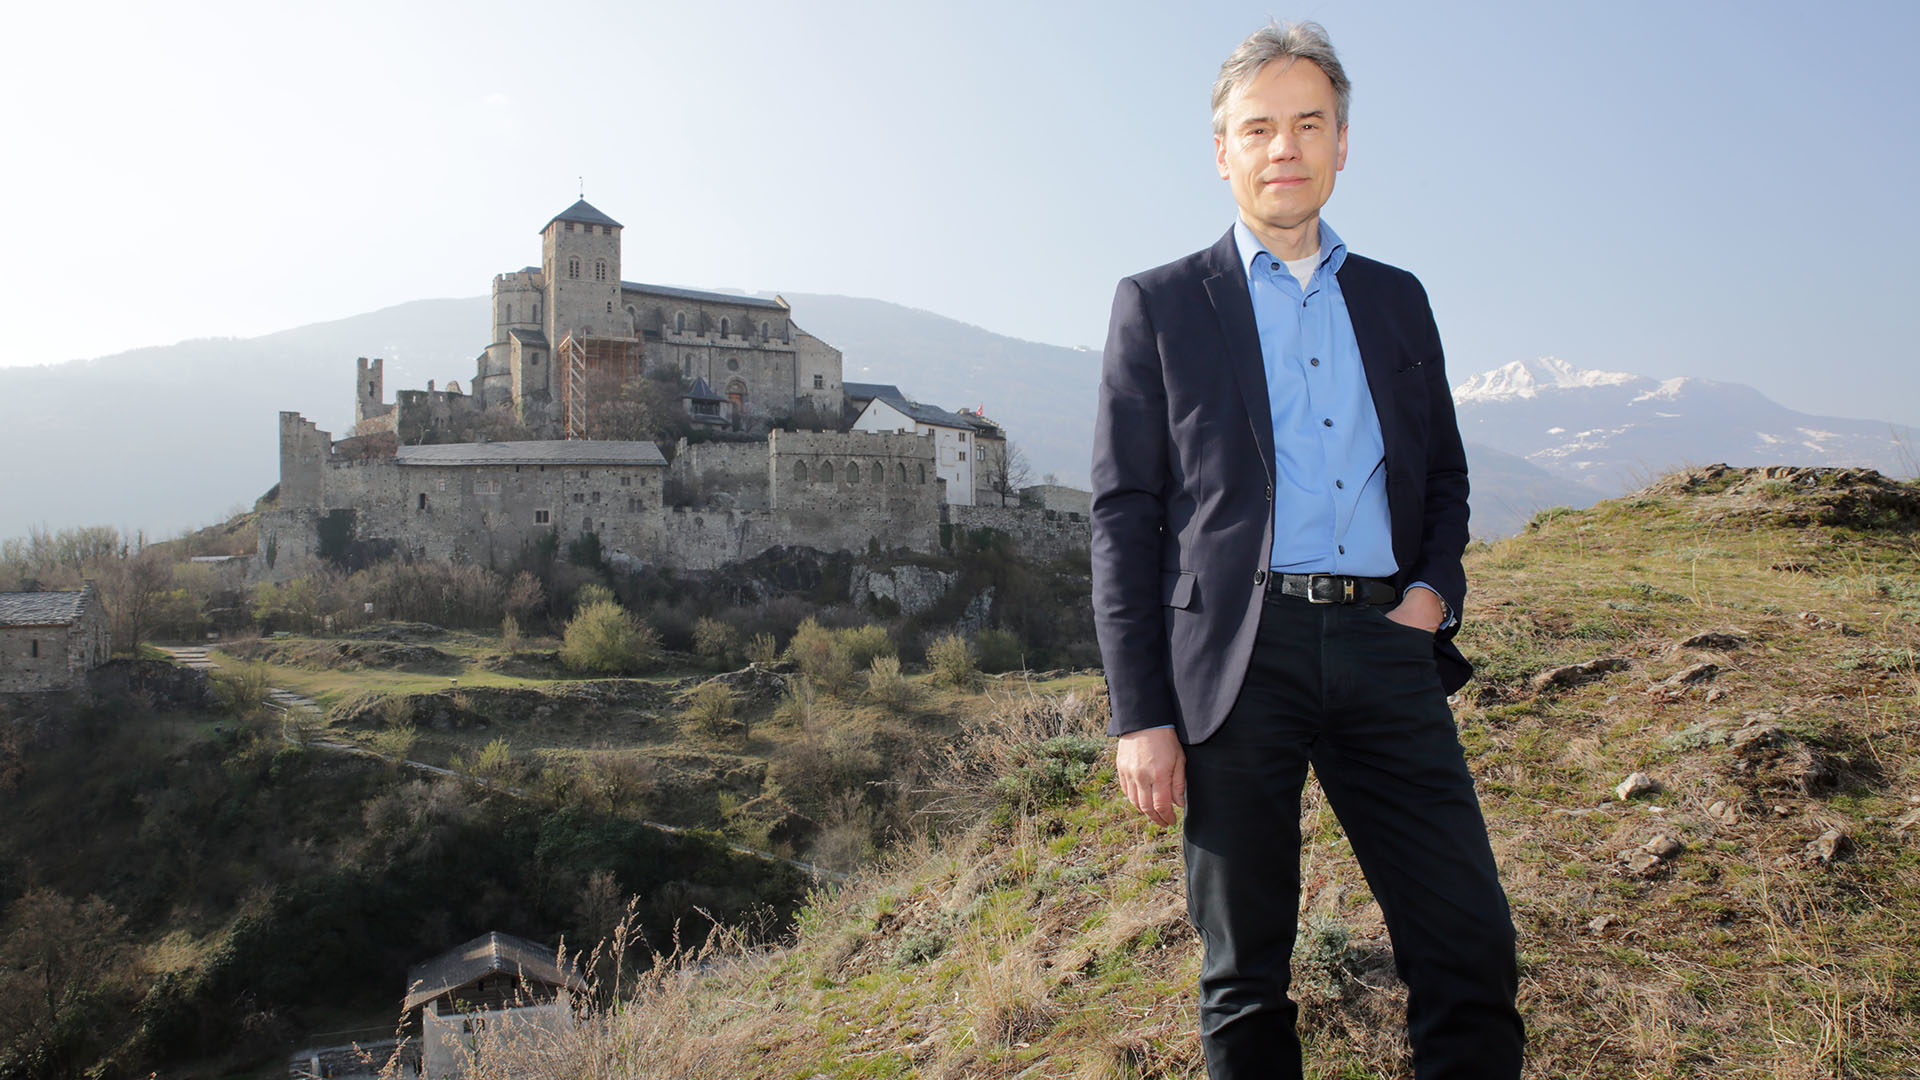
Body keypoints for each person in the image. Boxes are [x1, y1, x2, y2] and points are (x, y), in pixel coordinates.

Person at [1088, 21, 1524, 1080]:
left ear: (1341, 146)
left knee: (1468, 942)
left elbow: (1446, 475)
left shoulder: (1397, 298)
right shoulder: (1157, 303)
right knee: (1246, 977)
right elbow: (1124, 513)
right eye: (1259, 128)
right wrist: (1141, 713)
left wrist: (1429, 592)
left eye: (1308, 124)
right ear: (1224, 152)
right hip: (1237, 660)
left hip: (1386, 647)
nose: (1284, 147)